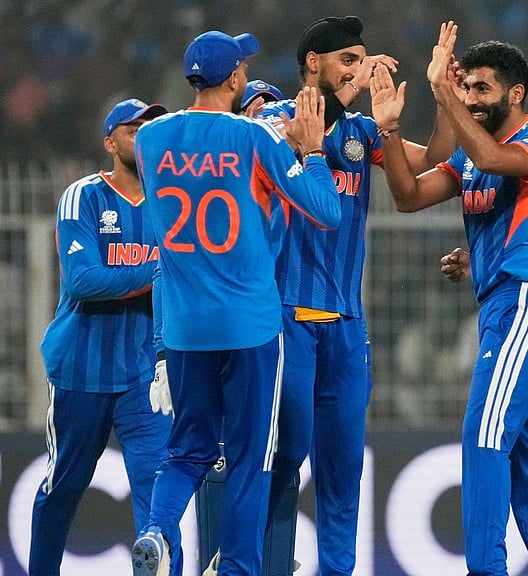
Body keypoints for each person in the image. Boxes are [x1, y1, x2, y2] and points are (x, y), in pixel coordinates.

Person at [219, 15, 452, 576]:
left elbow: (435, 159)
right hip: (285, 318)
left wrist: (442, 91)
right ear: (312, 65)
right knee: (281, 459)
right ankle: (260, 566)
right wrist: (349, 97)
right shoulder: (273, 123)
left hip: (346, 323)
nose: (360, 68)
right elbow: (297, 128)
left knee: (343, 468)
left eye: (361, 58)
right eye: (347, 59)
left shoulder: (362, 135)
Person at [130, 29, 342, 576]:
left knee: (187, 451)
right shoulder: (253, 140)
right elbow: (326, 211)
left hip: (182, 326)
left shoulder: (153, 139)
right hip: (248, 324)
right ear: (233, 78)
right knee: (251, 460)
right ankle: (238, 570)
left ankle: (156, 530)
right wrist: (312, 150)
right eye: (243, 64)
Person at [370, 22, 528, 575]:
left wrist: (443, 96)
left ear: (515, 94)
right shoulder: (471, 151)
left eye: (481, 89)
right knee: (526, 456)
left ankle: (485, 568)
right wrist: (388, 133)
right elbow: (409, 197)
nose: (472, 100)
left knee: (483, 437)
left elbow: (488, 160)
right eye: (467, 88)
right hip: (499, 306)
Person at [30, 98, 170, 576]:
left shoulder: (174, 200)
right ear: (110, 143)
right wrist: (157, 272)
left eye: (152, 128)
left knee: (157, 496)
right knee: (63, 487)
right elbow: (83, 281)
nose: (144, 135)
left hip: (144, 375)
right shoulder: (83, 196)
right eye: (133, 129)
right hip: (80, 370)